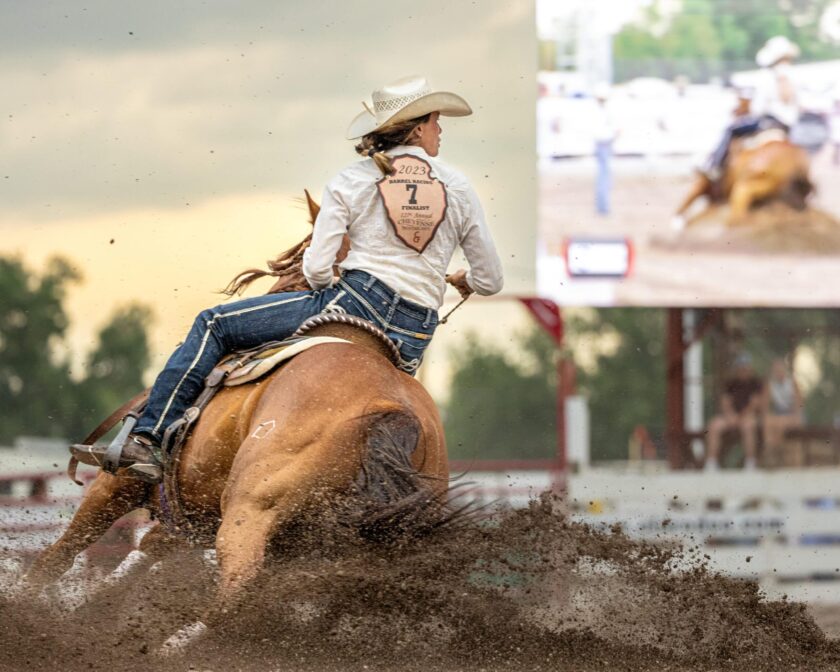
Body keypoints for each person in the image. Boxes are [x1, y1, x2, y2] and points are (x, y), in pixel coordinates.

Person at [72, 75, 504, 483]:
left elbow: (316, 270)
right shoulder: (460, 188)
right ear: (416, 129)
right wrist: (463, 277)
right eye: (435, 120)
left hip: (354, 308)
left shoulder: (352, 181)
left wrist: (338, 282)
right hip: (411, 340)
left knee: (213, 323)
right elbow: (491, 280)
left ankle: (149, 439)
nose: (440, 129)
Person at [701, 35, 801, 182]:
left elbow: (758, 108)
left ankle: (714, 166)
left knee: (731, 129)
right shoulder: (795, 74)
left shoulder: (768, 76)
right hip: (789, 126)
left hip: (768, 122)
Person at [704, 352, 765, 471]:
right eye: (741, 368)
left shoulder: (756, 383)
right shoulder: (730, 383)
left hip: (748, 417)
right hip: (731, 417)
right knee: (714, 425)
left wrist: (740, 417)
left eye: (745, 367)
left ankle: (750, 462)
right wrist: (731, 416)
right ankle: (711, 462)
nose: (743, 370)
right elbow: (725, 402)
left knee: (748, 426)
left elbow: (755, 404)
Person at [762, 357, 803, 466]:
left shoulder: (792, 383)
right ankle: (770, 453)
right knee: (768, 421)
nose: (778, 372)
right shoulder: (770, 385)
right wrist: (767, 416)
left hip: (792, 415)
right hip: (779, 414)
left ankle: (776, 453)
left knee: (779, 423)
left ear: (785, 370)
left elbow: (799, 405)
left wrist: (793, 416)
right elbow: (765, 406)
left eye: (780, 369)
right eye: (775, 370)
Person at [591, 83, 618, 216]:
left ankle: (602, 206)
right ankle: (603, 207)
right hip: (604, 144)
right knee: (604, 175)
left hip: (602, 143)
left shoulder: (598, 111)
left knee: (604, 175)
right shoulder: (603, 111)